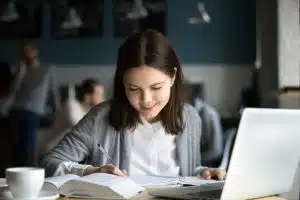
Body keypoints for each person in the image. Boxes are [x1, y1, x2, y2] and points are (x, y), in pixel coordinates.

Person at [40, 29, 226, 180]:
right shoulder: (101, 117)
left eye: (156, 87)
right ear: (122, 83)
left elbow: (186, 172)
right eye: (134, 88)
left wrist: (202, 173)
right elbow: (50, 163)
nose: (146, 100)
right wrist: (92, 172)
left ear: (173, 77)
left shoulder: (190, 116)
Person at [9, 40, 60, 167]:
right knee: (15, 147)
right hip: (16, 110)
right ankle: (14, 172)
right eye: (25, 51)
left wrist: (58, 110)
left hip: (33, 112)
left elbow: (54, 92)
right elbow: (12, 91)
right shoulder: (19, 69)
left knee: (28, 147)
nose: (27, 53)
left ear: (36, 51)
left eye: (29, 50)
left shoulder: (47, 69)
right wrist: (20, 74)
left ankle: (27, 172)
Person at [39, 78, 105, 154]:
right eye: (100, 95)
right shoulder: (71, 105)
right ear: (87, 96)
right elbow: (80, 126)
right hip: (52, 152)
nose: (102, 99)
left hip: (66, 154)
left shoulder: (88, 110)